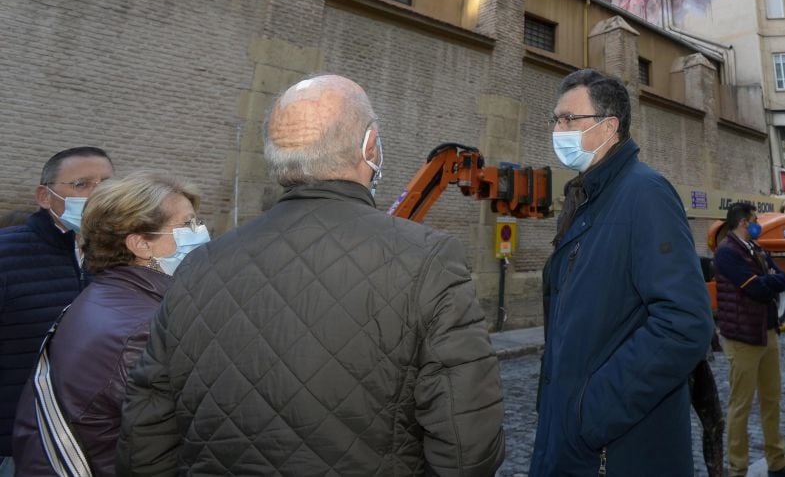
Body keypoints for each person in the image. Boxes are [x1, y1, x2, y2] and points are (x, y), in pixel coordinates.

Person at [116, 74, 505, 476]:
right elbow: (466, 442)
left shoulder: (199, 265)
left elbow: (147, 426)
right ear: (370, 146)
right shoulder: (430, 259)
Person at [529, 69, 713, 477]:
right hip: (571, 440)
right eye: (555, 119)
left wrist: (591, 412)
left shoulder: (644, 193)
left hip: (617, 448)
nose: (558, 130)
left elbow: (684, 322)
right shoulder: (588, 196)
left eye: (568, 119)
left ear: (608, 126)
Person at [12, 171, 206, 474]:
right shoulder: (145, 327)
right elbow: (179, 437)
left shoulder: (105, 295)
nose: (202, 232)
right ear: (141, 245)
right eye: (189, 224)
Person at [0, 147, 113, 475]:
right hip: (13, 446)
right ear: (44, 196)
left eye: (105, 184)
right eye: (81, 184)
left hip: (87, 446)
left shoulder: (120, 258)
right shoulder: (6, 255)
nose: (96, 195)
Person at [713, 203, 785, 477]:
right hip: (742, 336)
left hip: (767, 331)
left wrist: (769, 281)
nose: (758, 225)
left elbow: (783, 279)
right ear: (742, 222)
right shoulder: (727, 252)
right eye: (754, 221)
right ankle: (737, 469)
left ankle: (777, 462)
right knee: (741, 404)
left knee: (771, 398)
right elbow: (755, 288)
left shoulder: (758, 249)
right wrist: (769, 282)